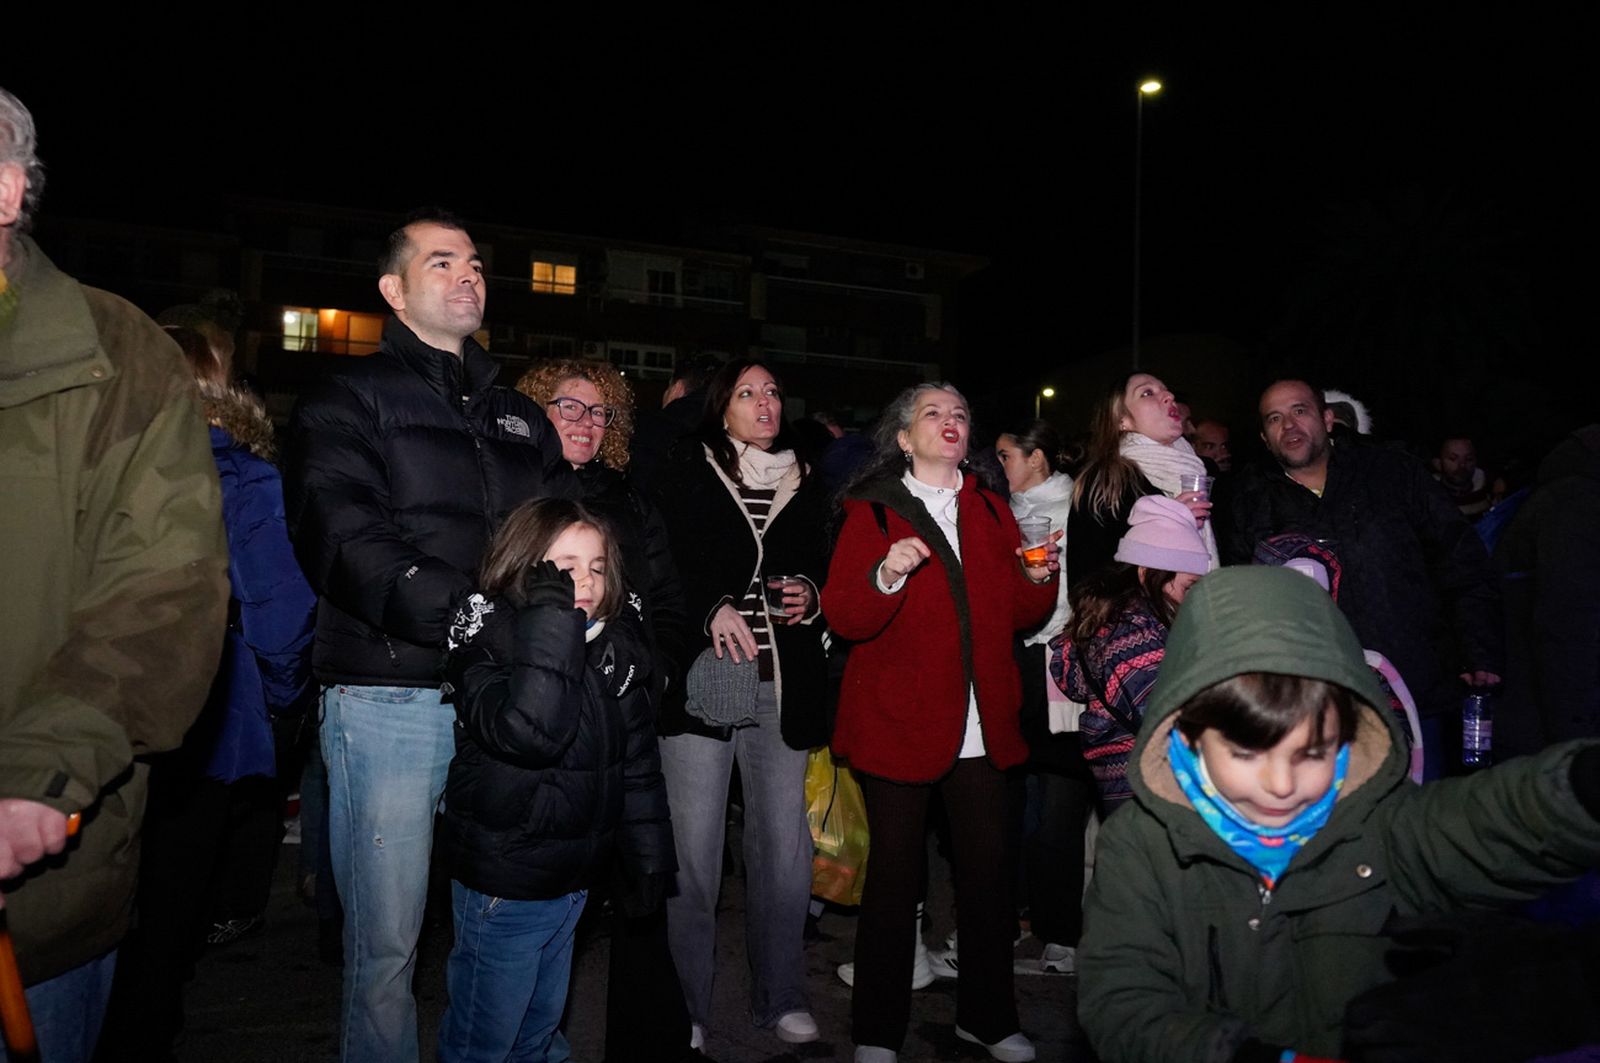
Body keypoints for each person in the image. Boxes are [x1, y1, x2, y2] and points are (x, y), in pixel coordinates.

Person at [1076, 565, 1600, 1063]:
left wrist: (1578, 787)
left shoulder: (1377, 822)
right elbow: (1122, 1003)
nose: (1281, 787)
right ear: (1186, 734)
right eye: (1245, 753)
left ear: (1349, 738)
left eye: (1312, 753)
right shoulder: (1140, 846)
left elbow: (1486, 822)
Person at [284, 210, 573, 1063]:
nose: (468, 275)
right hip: (389, 696)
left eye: (476, 263)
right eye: (441, 262)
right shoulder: (347, 397)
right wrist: (469, 615)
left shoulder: (521, 417)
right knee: (387, 945)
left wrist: (576, 622)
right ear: (393, 289)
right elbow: (341, 536)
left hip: (508, 695)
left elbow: (565, 538)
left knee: (505, 914)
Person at [0, 86, 229, 1063]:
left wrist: (42, 771)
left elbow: (164, 586)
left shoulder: (117, 356)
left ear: (6, 188)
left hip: (33, 895)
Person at [824, 383, 1059, 1063]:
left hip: (983, 727)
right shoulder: (870, 510)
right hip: (899, 724)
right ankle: (875, 1030)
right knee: (895, 887)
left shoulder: (991, 506)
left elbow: (1018, 612)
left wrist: (1041, 575)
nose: (951, 420)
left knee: (987, 884)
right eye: (934, 412)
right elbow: (845, 613)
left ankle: (985, 1018)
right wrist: (887, 573)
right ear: (903, 436)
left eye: (960, 412)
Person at [101, 326, 317, 1059]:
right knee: (171, 907)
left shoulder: (100, 461)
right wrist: (280, 701)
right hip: (207, 711)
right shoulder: (247, 476)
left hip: (99, 710)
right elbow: (281, 614)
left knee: (101, 900)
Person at [435, 499, 673, 1063]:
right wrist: (552, 623)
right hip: (505, 885)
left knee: (540, 1030)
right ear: (526, 567)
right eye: (565, 567)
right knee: (484, 1040)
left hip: (571, 883)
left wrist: (648, 855)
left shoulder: (610, 650)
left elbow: (636, 762)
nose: (585, 582)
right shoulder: (487, 641)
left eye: (596, 566)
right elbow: (529, 732)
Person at [513, 359, 697, 1061]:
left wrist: (658, 672)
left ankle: (652, 1045)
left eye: (600, 411)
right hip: (540, 719)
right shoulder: (516, 486)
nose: (586, 422)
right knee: (539, 906)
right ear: (537, 409)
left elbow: (671, 603)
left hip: (624, 719)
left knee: (641, 891)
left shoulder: (632, 500)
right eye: (569, 406)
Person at [649, 357, 830, 1051]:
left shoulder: (805, 479)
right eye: (749, 392)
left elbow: (824, 562)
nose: (766, 403)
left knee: (783, 848)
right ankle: (688, 1007)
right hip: (703, 682)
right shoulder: (685, 469)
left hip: (780, 684)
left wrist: (813, 595)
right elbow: (658, 562)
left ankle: (780, 994)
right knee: (693, 852)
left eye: (775, 392)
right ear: (721, 407)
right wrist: (707, 607)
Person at [1228, 379, 1501, 779]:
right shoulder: (1249, 501)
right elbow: (1239, 600)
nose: (1289, 425)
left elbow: (1460, 558)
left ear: (1327, 418)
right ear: (1265, 438)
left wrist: (1480, 649)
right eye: (1275, 418)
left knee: (1424, 822)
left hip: (1414, 686)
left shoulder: (1391, 473)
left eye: (1299, 411)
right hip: (1315, 705)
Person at [994, 419, 1091, 976]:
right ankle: (1002, 919)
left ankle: (1061, 933)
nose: (1000, 465)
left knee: (1060, 802)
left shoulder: (1078, 509)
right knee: (1004, 800)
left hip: (1061, 663)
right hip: (1014, 664)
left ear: (1037, 459)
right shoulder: (1002, 513)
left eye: (1007, 454)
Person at [1052, 496, 1211, 813]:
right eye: (1189, 586)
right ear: (1147, 573)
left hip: (1131, 785)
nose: (1193, 598)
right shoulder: (1130, 636)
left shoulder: (1127, 624)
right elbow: (1163, 716)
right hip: (1144, 786)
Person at [1067, 372, 1215, 588]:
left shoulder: (1202, 471)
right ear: (1122, 421)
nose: (1168, 396)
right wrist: (1167, 526)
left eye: (1166, 390)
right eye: (1147, 393)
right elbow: (1089, 580)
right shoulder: (1104, 483)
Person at [1435, 434, 1491, 522]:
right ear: (1438, 462)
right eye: (1453, 459)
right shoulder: (1428, 497)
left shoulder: (1487, 491)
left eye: (1469, 459)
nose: (1462, 465)